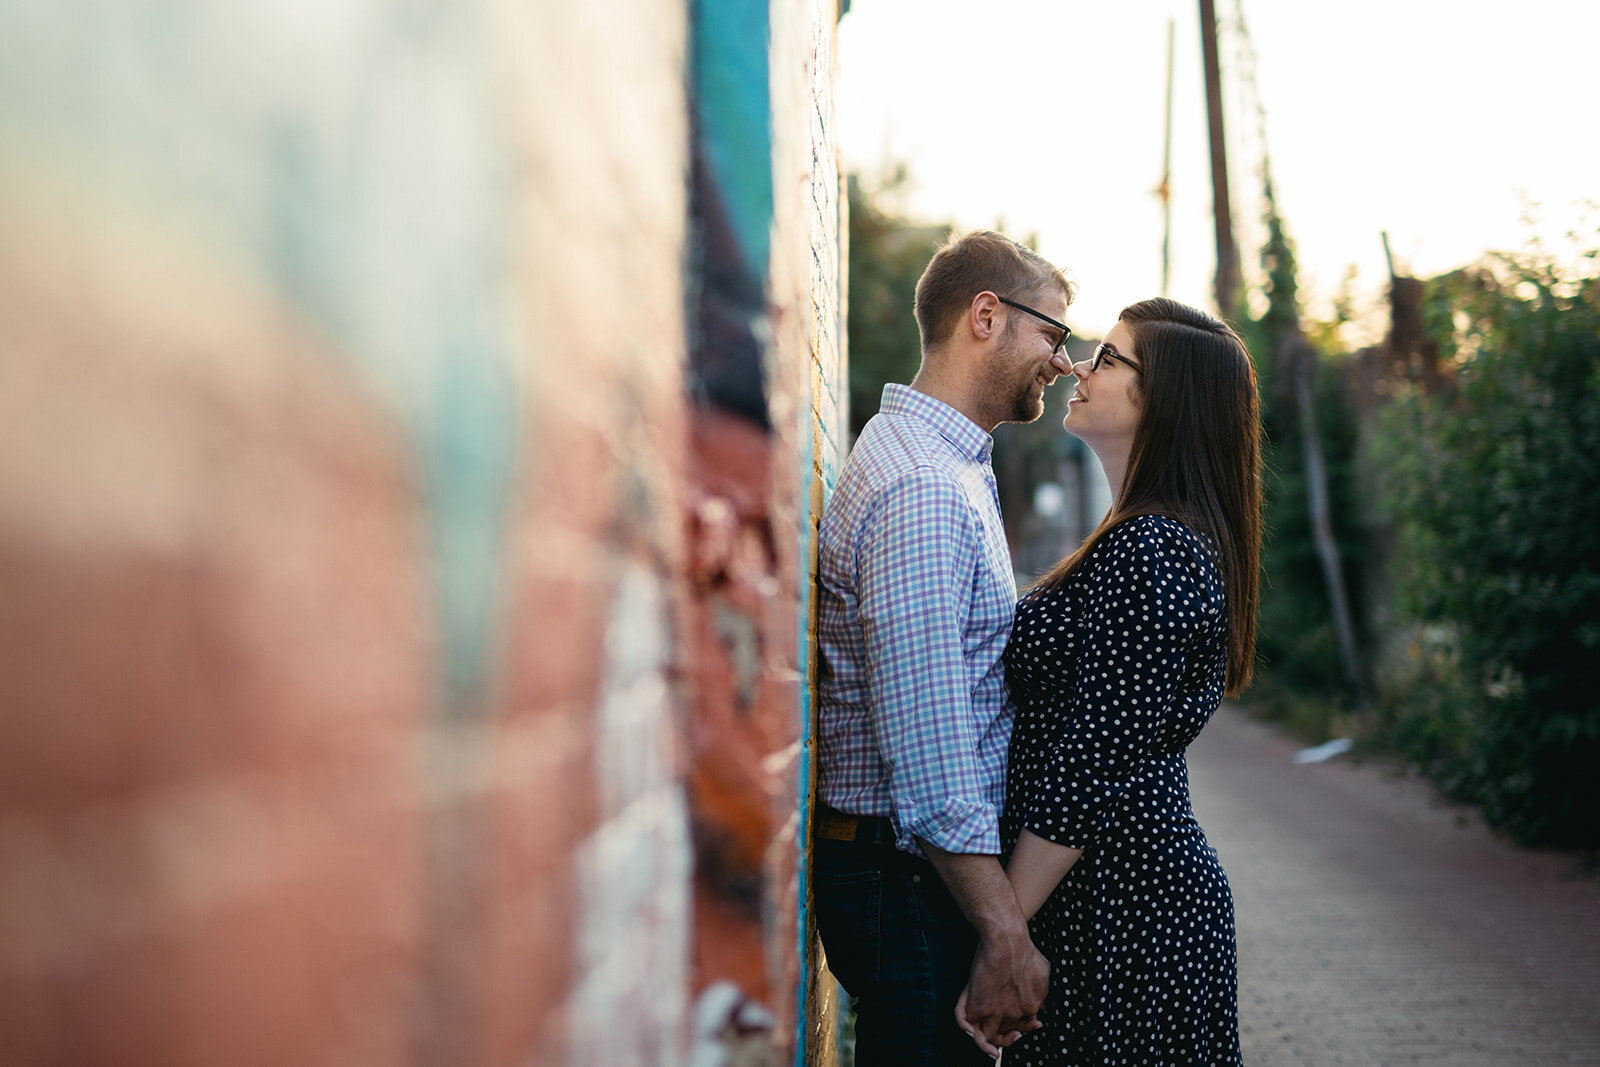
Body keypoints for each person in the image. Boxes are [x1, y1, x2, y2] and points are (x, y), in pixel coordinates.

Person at [966, 297, 1261, 1065]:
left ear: (1163, 399)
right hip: (1107, 903)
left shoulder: (1155, 548)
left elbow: (1095, 756)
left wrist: (1004, 932)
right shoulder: (1144, 537)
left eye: (1107, 356)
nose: (1076, 364)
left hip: (1128, 915)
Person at [813, 230, 1076, 1064]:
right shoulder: (924, 487)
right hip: (911, 881)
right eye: (1054, 334)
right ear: (986, 316)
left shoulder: (945, 463)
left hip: (915, 874)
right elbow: (928, 751)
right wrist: (1004, 930)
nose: (1063, 362)